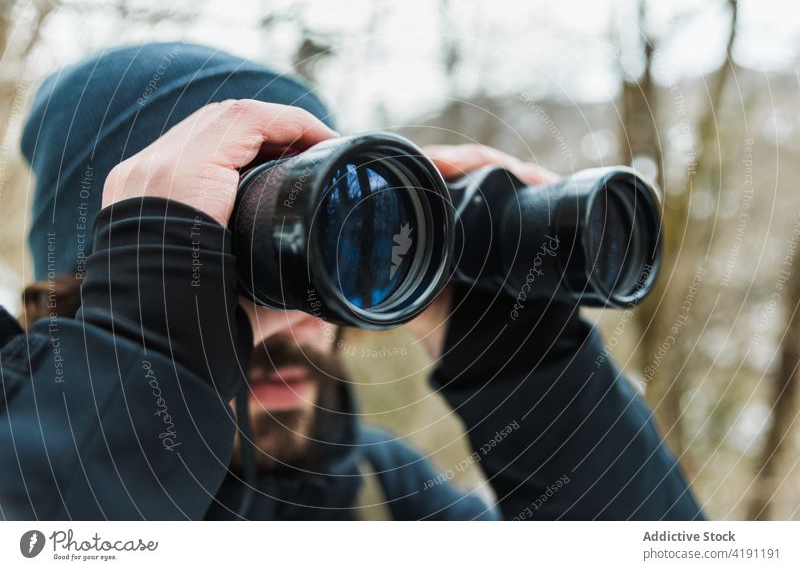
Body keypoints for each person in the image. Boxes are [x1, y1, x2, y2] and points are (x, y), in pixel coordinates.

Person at [0, 42, 703, 520]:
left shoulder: (386, 496)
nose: (289, 322)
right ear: (90, 301)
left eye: (306, 262)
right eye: (216, 276)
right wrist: (141, 365)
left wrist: (531, 370)